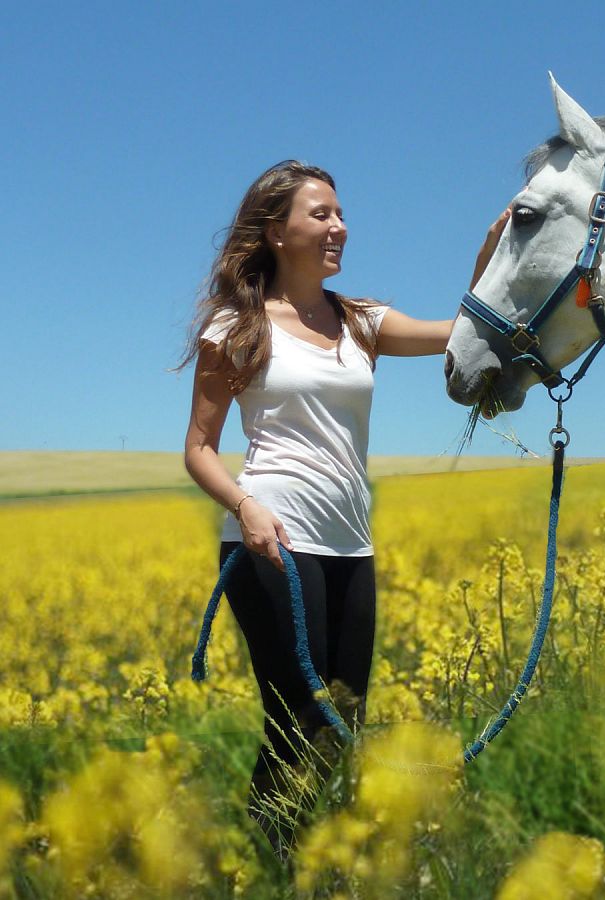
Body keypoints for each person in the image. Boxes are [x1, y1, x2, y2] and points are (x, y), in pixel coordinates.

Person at [179, 160, 508, 859]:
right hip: (266, 541)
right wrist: (246, 507)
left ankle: (305, 861)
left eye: (340, 214)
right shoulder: (235, 327)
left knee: (342, 722)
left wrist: (486, 263)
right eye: (321, 214)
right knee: (296, 719)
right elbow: (200, 449)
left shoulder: (362, 322)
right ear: (276, 231)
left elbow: (458, 334)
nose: (340, 226)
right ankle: (265, 865)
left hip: (350, 545)